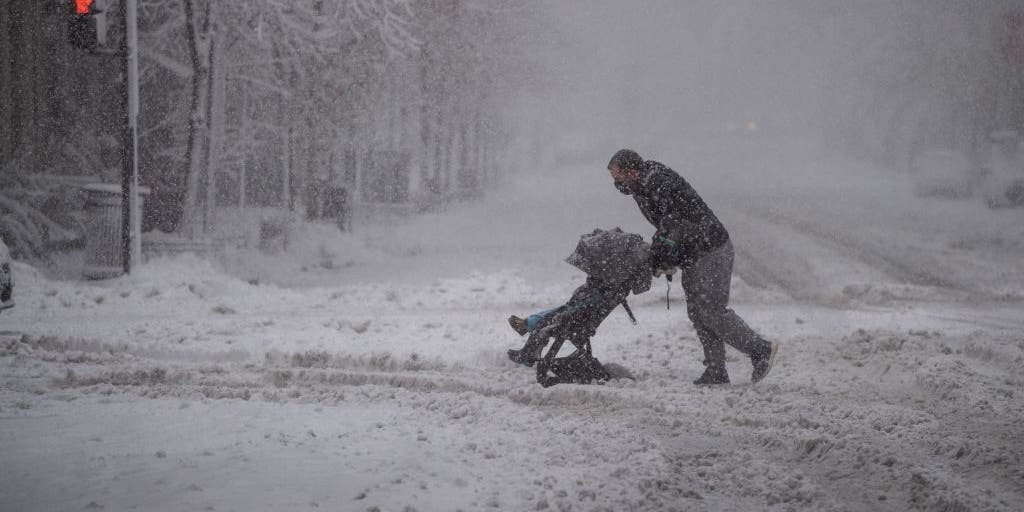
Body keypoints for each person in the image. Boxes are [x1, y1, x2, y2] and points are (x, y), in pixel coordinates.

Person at [606, 148, 779, 385]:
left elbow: (674, 221)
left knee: (711, 310)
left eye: (618, 177)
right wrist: (664, 251)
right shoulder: (642, 187)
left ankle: (761, 350)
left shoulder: (657, 182)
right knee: (698, 312)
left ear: (632, 171)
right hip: (693, 253)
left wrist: (664, 250)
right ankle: (716, 370)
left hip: (710, 249)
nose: (617, 183)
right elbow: (667, 226)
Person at [507, 228, 652, 387]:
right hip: (577, 316)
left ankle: (528, 339)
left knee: (553, 316)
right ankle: (528, 340)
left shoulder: (600, 290)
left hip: (574, 320)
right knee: (555, 313)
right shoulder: (605, 286)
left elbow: (580, 307)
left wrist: (565, 314)